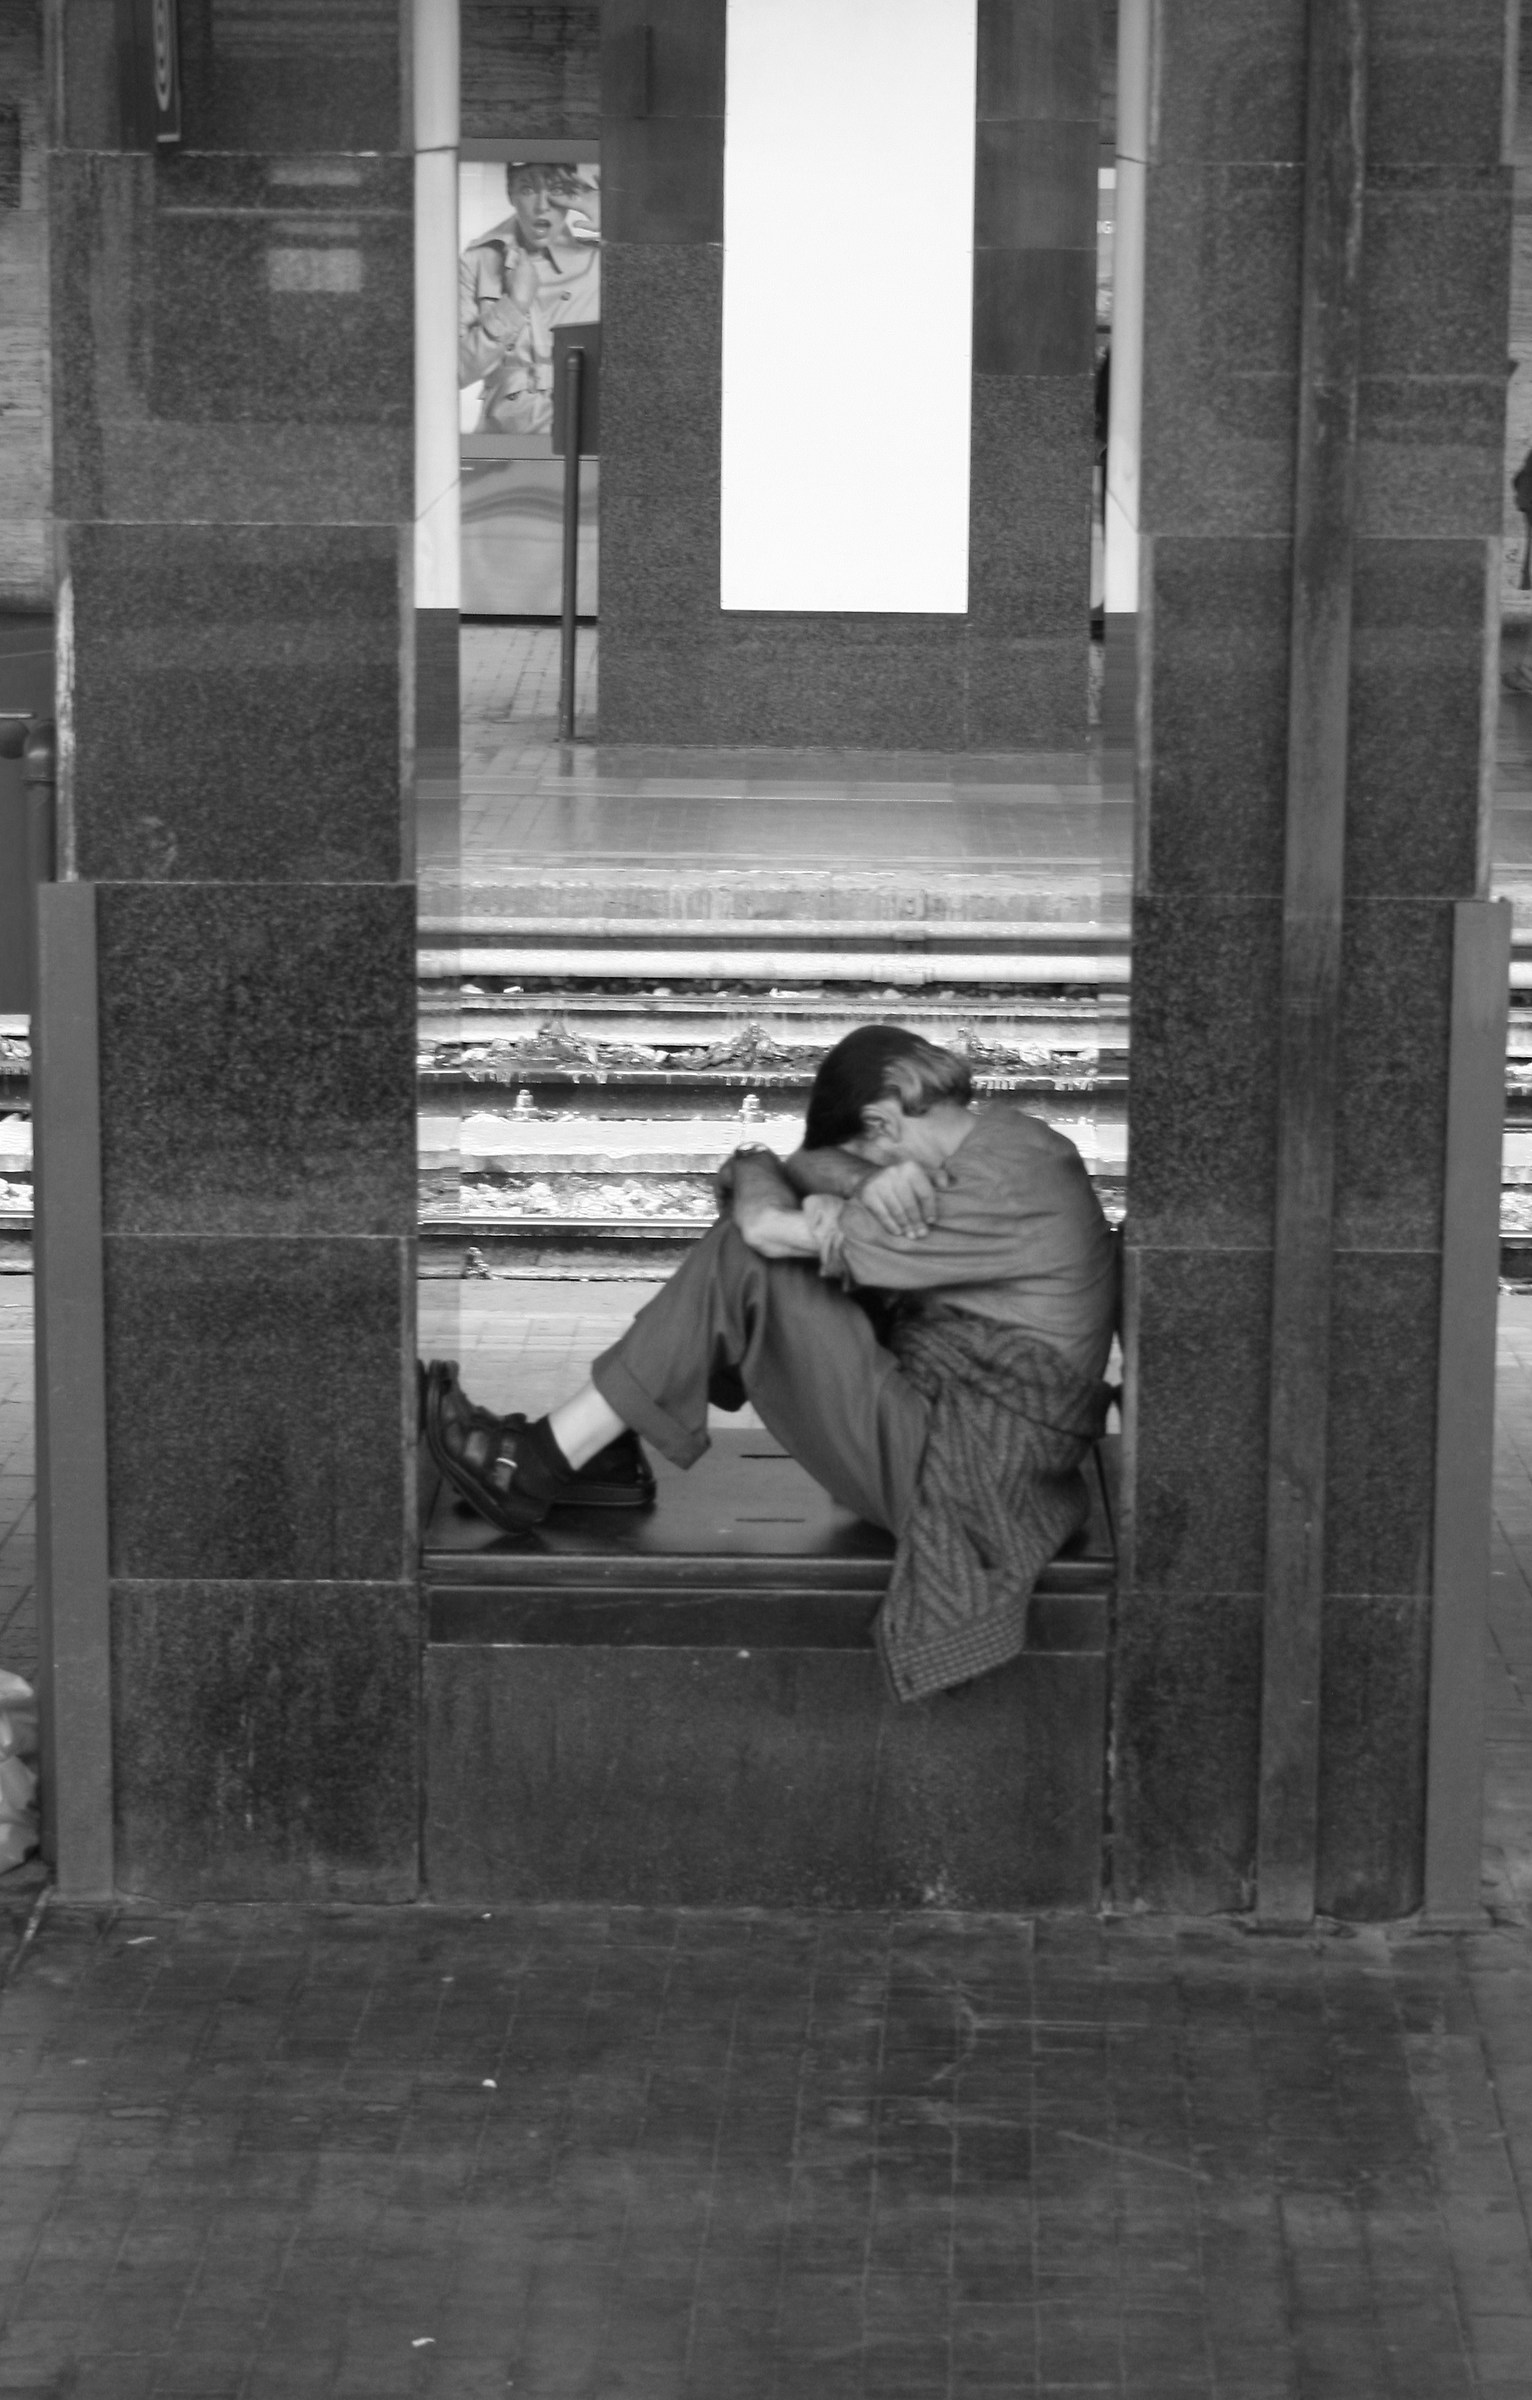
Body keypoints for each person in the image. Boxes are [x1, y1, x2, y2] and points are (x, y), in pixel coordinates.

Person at [423, 1027, 1120, 1701]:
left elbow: (761, 1227)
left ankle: (533, 1466)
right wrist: (835, 1174)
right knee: (775, 1258)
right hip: (962, 1432)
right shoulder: (1015, 1140)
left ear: (881, 1124)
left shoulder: (987, 1190)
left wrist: (769, 1169)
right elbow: (801, 1169)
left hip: (969, 1481)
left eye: (863, 1159)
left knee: (748, 1263)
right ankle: (597, 1448)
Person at [459, 163, 600, 435]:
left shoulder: (598, 262)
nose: (542, 206)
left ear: (571, 196)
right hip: (501, 443)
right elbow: (453, 372)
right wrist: (514, 305)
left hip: (578, 438)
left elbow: (662, 323)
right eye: (527, 189)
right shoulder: (477, 260)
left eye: (556, 190)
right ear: (510, 194)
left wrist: (613, 222)